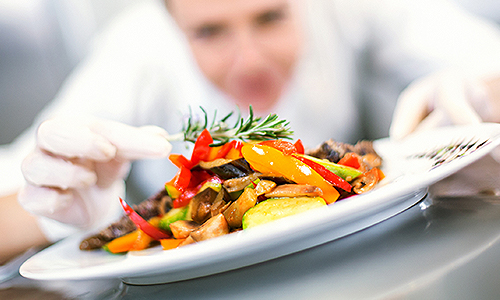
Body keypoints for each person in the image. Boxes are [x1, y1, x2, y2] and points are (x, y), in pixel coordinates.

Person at [1, 0, 499, 263]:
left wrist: (480, 90)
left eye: (270, 17)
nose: (250, 60)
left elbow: (484, 57)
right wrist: (49, 211)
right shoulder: (135, 50)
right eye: (210, 32)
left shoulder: (346, 6)